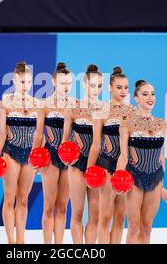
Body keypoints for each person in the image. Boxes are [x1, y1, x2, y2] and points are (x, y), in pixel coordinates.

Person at [117, 80, 167, 244]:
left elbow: (160, 157)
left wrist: (162, 186)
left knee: (147, 227)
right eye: (145, 94)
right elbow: (123, 156)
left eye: (153, 94)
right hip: (134, 178)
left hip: (155, 180)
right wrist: (119, 181)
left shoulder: (161, 124)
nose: (150, 97)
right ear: (136, 98)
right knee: (134, 227)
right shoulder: (127, 123)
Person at [0, 61, 41, 244]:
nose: (26, 86)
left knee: (23, 199)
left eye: (29, 82)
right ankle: (11, 241)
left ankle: (21, 240)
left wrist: (39, 157)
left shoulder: (37, 104)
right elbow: (2, 133)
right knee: (10, 197)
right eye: (22, 82)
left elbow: (39, 135)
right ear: (14, 80)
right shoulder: (5, 103)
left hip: (29, 155)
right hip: (11, 152)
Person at [87, 67, 136, 244]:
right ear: (110, 88)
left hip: (126, 170)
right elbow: (96, 144)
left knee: (120, 219)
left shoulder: (132, 112)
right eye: (119, 87)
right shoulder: (100, 110)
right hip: (107, 166)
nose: (123, 91)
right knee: (105, 217)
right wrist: (89, 171)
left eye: (126, 87)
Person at [33, 62, 77, 244]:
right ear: (53, 82)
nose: (66, 87)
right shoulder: (44, 105)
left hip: (70, 159)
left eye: (69, 83)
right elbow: (38, 134)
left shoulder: (76, 105)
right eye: (62, 83)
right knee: (49, 206)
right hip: (50, 157)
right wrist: (34, 157)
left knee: (63, 207)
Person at [62, 64, 104, 244]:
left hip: (97, 166)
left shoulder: (104, 108)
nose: (96, 90)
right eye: (93, 85)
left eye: (100, 86)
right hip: (77, 166)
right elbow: (64, 140)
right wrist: (67, 155)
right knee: (77, 213)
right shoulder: (73, 108)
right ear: (85, 84)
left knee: (95, 215)